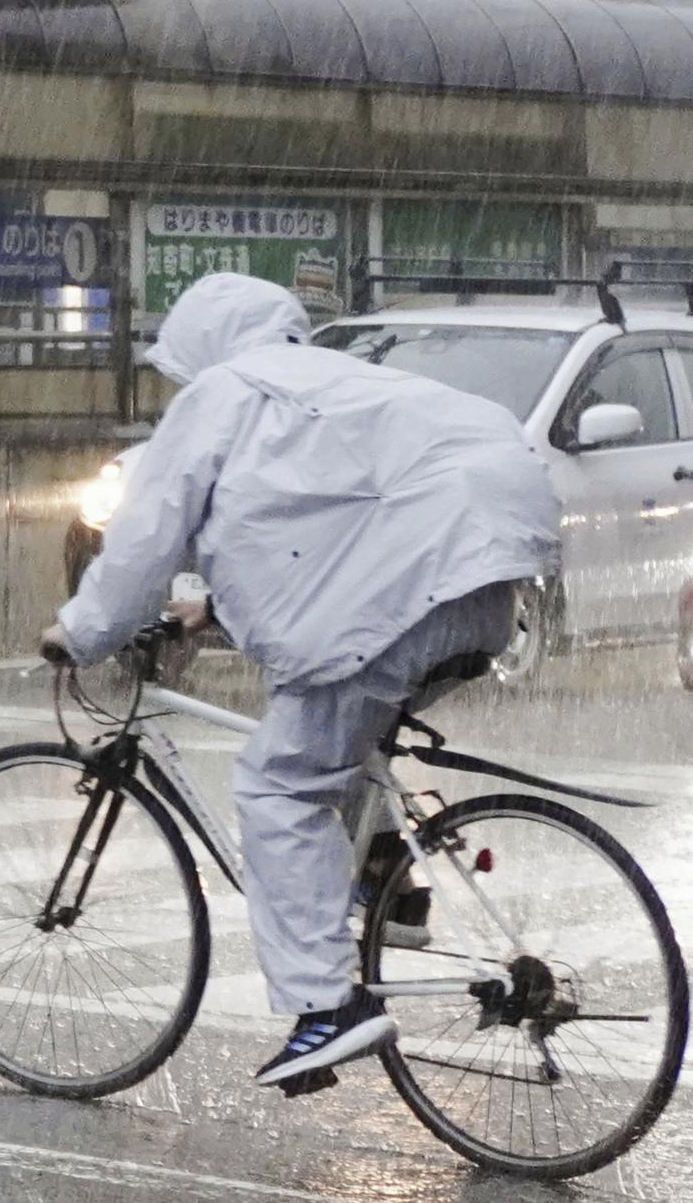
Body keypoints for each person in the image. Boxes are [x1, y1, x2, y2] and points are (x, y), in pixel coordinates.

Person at [42, 272, 561, 1092]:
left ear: (206, 347)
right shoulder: (339, 380)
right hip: (485, 580)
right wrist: (207, 608)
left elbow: (144, 538)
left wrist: (79, 633)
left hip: (405, 586)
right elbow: (320, 516)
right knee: (340, 737)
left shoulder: (223, 392)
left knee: (278, 783)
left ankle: (326, 1008)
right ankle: (391, 882)